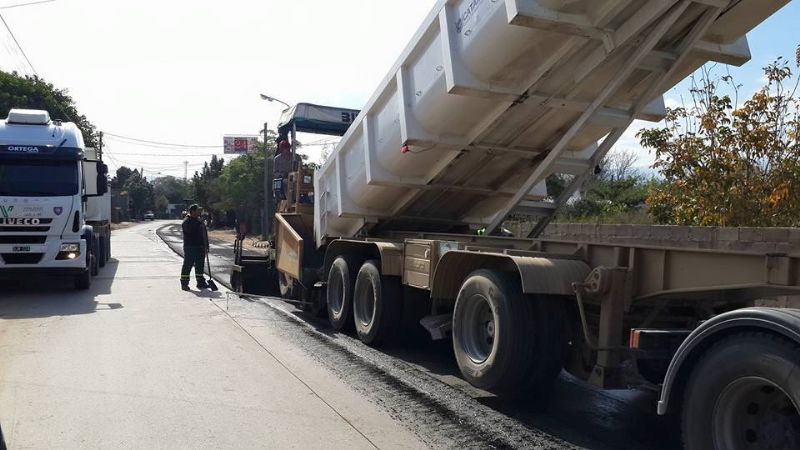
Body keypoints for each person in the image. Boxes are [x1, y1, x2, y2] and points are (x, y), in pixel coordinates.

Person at [180, 204, 209, 291]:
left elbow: (204, 234)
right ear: (192, 211)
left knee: (200, 265)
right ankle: (184, 283)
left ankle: (200, 282)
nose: (199, 212)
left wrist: (206, 245)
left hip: (200, 247)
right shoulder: (187, 221)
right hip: (190, 247)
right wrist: (199, 223)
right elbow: (191, 232)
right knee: (188, 265)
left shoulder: (199, 221)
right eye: (198, 210)